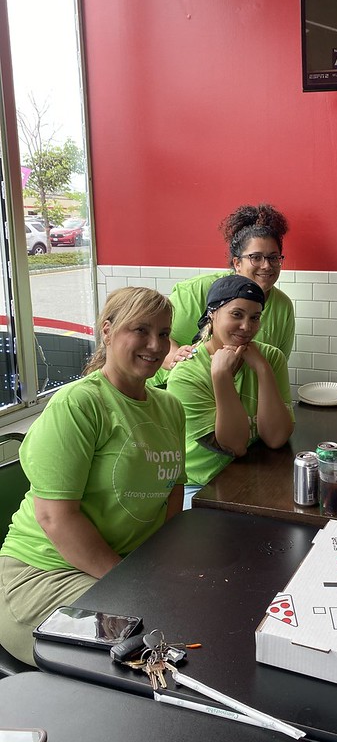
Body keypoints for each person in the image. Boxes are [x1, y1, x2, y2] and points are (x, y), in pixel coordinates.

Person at [0, 287, 186, 665]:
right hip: (46, 574)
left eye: (164, 333)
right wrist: (135, 584)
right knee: (145, 653)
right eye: (140, 330)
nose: (155, 345)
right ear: (108, 331)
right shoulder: (79, 404)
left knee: (187, 620)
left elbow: (173, 491)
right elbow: (56, 518)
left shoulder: (169, 407)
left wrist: (161, 568)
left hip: (123, 568)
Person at [166, 274, 294, 509]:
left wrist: (263, 370)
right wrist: (221, 376)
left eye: (255, 318)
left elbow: (276, 438)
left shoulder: (271, 358)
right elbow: (234, 446)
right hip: (200, 485)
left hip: (257, 473)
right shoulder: (186, 373)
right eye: (236, 314)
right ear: (212, 314)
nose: (246, 327)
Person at [153, 203, 295, 384]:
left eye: (273, 258)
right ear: (237, 263)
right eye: (256, 257)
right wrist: (175, 357)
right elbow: (157, 337)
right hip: (175, 387)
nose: (266, 266)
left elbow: (275, 364)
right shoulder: (196, 291)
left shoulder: (283, 307)